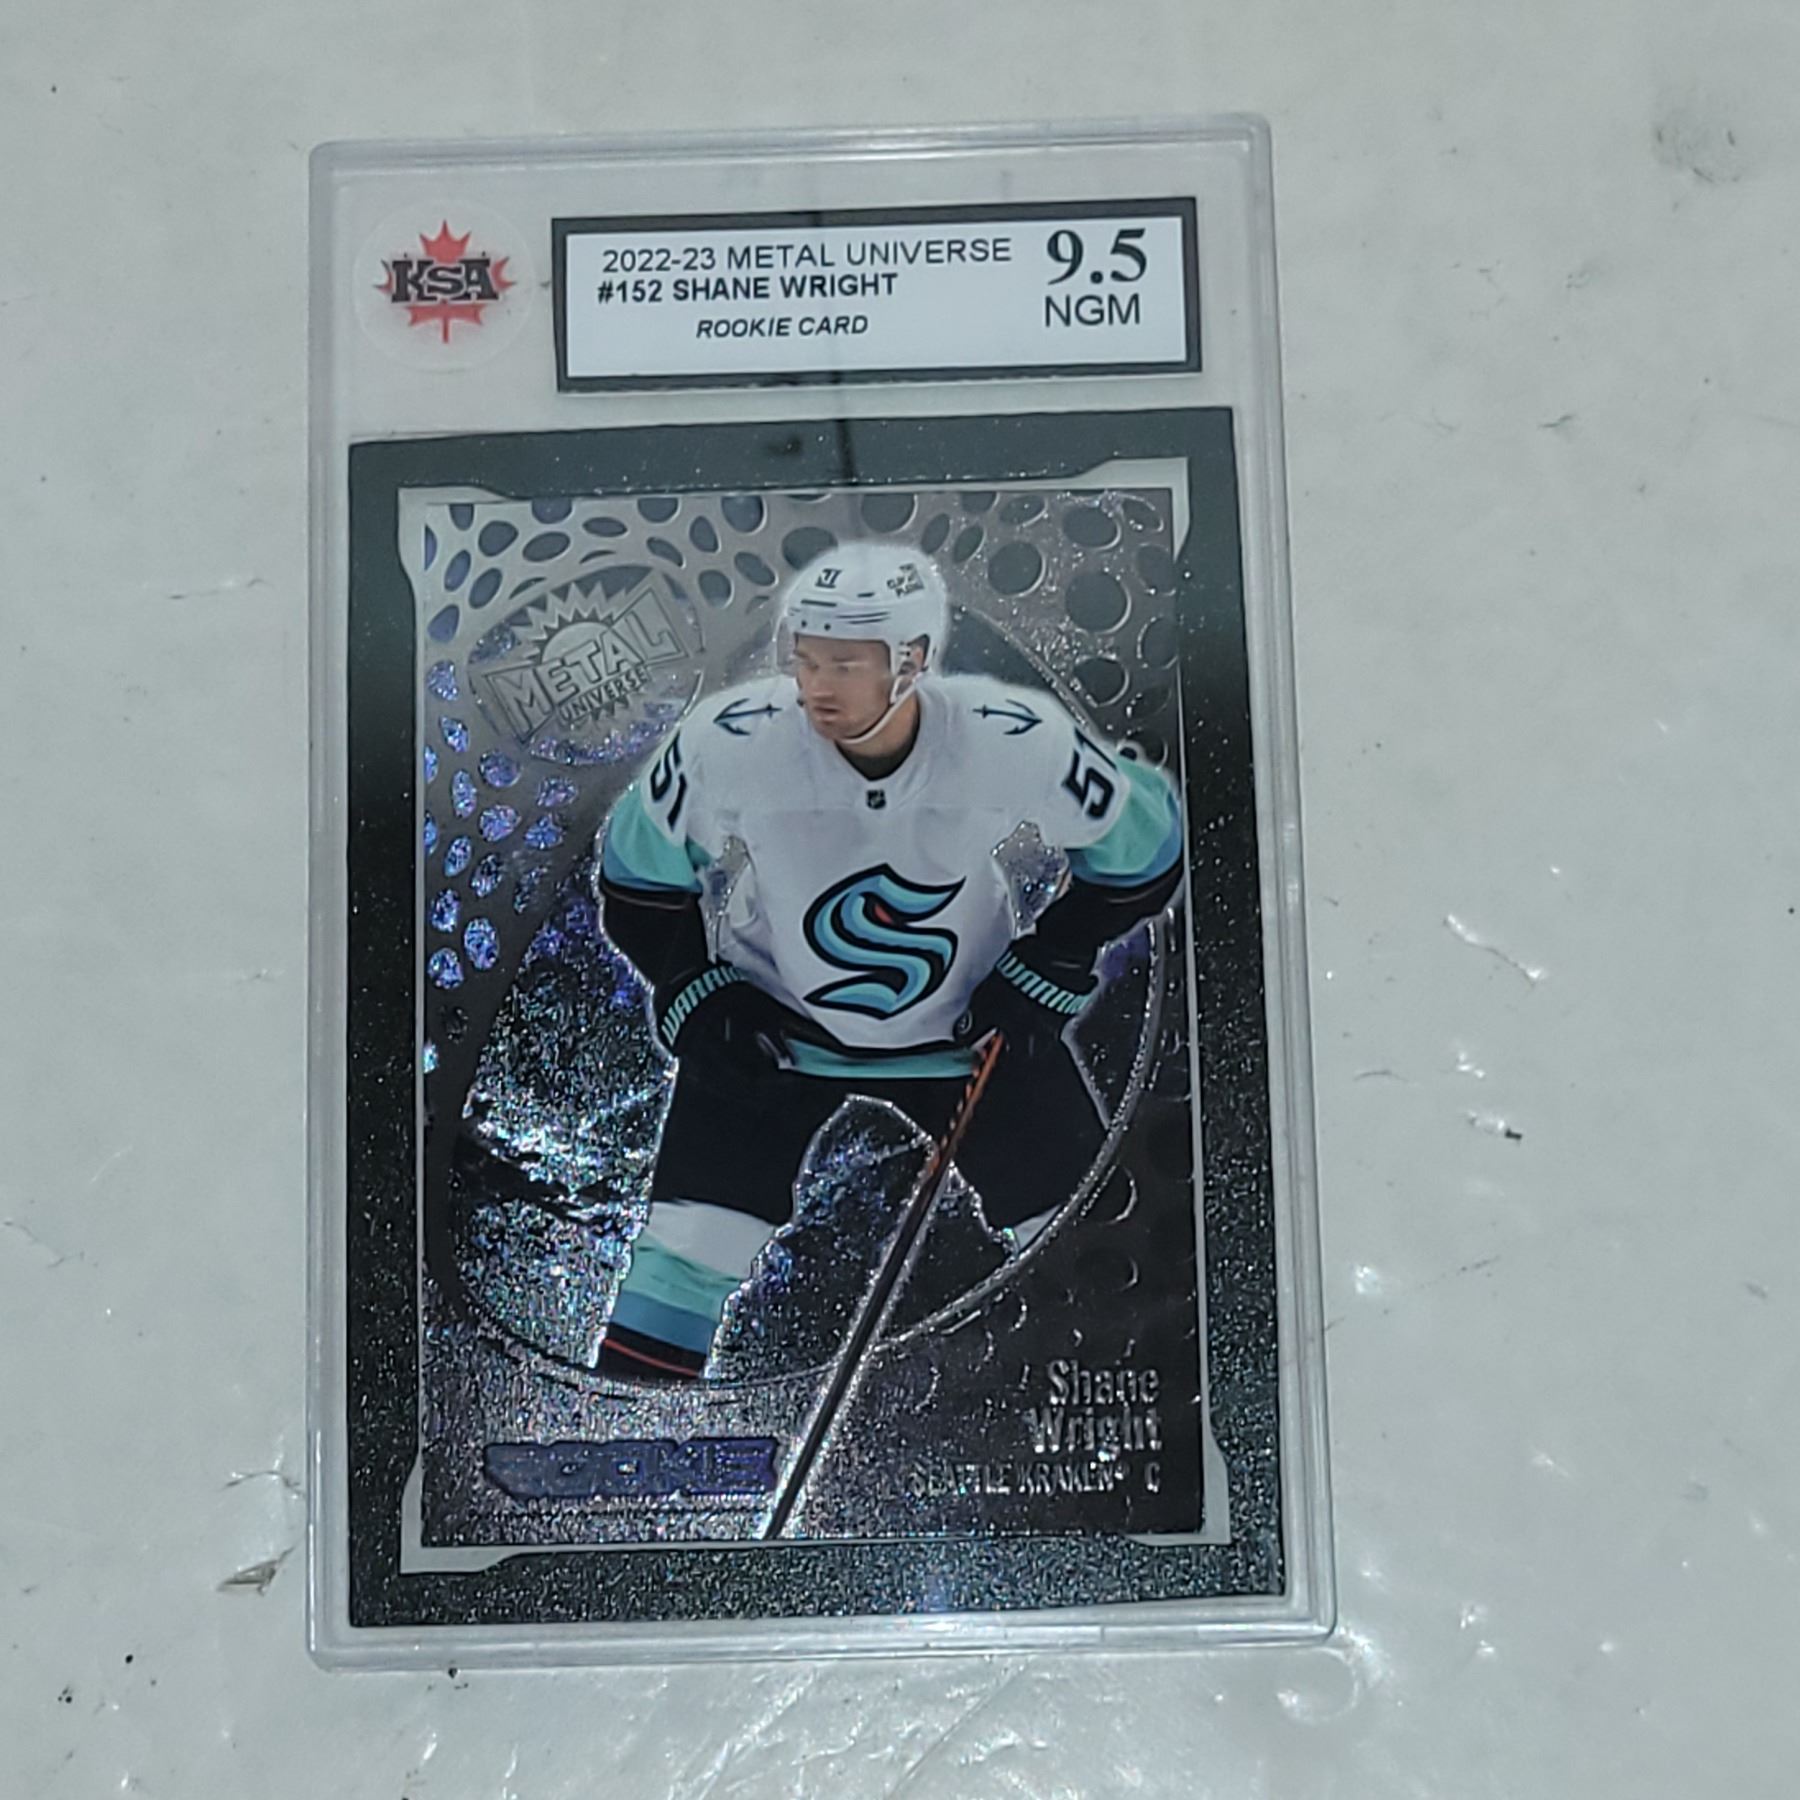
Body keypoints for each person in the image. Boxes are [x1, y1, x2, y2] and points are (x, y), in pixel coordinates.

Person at [593, 541, 1182, 1380]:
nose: (816, 687)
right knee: (683, 1258)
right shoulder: (731, 741)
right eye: (805, 660)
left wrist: (1054, 955)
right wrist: (695, 986)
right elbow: (638, 880)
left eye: (844, 663)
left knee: (1094, 1248)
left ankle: (1108, 1439)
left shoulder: (1008, 738)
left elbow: (1144, 849)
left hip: (971, 1033)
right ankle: (629, 1430)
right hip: (773, 1029)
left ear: (912, 661)